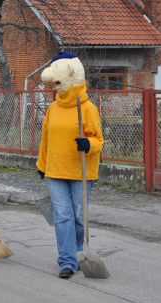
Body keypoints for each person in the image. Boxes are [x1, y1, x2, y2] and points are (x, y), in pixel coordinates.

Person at [36, 52, 104, 278]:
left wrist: (88, 144)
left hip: (81, 172)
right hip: (56, 170)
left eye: (59, 83)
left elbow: (99, 140)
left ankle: (77, 255)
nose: (56, 88)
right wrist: (42, 164)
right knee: (62, 216)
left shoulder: (88, 109)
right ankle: (66, 261)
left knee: (77, 216)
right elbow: (46, 139)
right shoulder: (53, 108)